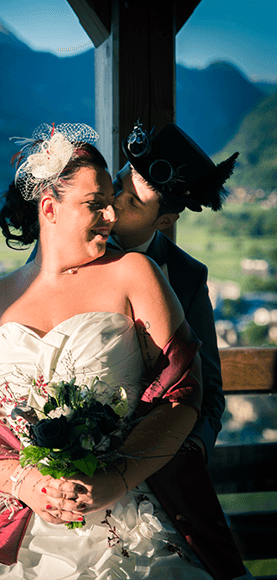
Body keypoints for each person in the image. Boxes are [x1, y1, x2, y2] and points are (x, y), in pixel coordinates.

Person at [0, 123, 246, 580]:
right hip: (20, 503)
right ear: (49, 209)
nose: (112, 216)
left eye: (118, 203)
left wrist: (119, 478)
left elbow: (186, 391)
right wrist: (29, 484)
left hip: (126, 499)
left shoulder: (142, 273)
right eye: (99, 204)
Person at [110, 121, 239, 463]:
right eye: (115, 184)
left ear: (164, 221)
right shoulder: (66, 248)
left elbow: (209, 388)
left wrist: (189, 452)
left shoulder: (187, 276)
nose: (114, 201)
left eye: (134, 202)